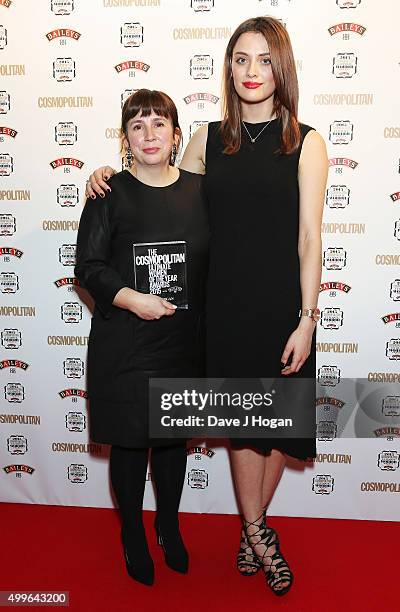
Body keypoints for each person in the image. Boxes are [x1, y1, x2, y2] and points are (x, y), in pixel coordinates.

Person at [85, 16, 328, 596]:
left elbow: (310, 239)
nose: (251, 71)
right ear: (227, 67)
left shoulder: (307, 141)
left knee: (277, 429)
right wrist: (108, 176)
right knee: (245, 429)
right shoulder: (206, 139)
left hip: (282, 309)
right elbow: (162, 195)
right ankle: (260, 533)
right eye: (240, 59)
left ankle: (252, 532)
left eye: (264, 59)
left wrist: (307, 319)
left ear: (282, 68)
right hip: (222, 308)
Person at [75, 89, 209, 586]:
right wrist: (134, 299)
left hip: (183, 342)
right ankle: (133, 531)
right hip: (127, 344)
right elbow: (87, 266)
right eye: (137, 125)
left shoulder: (201, 191)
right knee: (132, 445)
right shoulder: (109, 194)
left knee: (172, 442)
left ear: (177, 135)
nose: (149, 134)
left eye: (159, 124)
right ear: (125, 140)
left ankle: (168, 525)